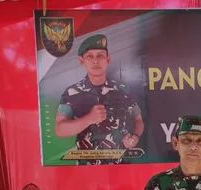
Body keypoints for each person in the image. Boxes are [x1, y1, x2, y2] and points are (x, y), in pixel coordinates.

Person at [54, 33, 144, 163]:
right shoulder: (72, 92)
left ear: (108, 59)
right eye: (89, 56)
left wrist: (135, 136)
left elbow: (138, 120)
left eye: (100, 55)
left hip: (121, 166)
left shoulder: (122, 90)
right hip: (88, 168)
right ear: (81, 61)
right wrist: (89, 119)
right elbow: (60, 129)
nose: (95, 61)